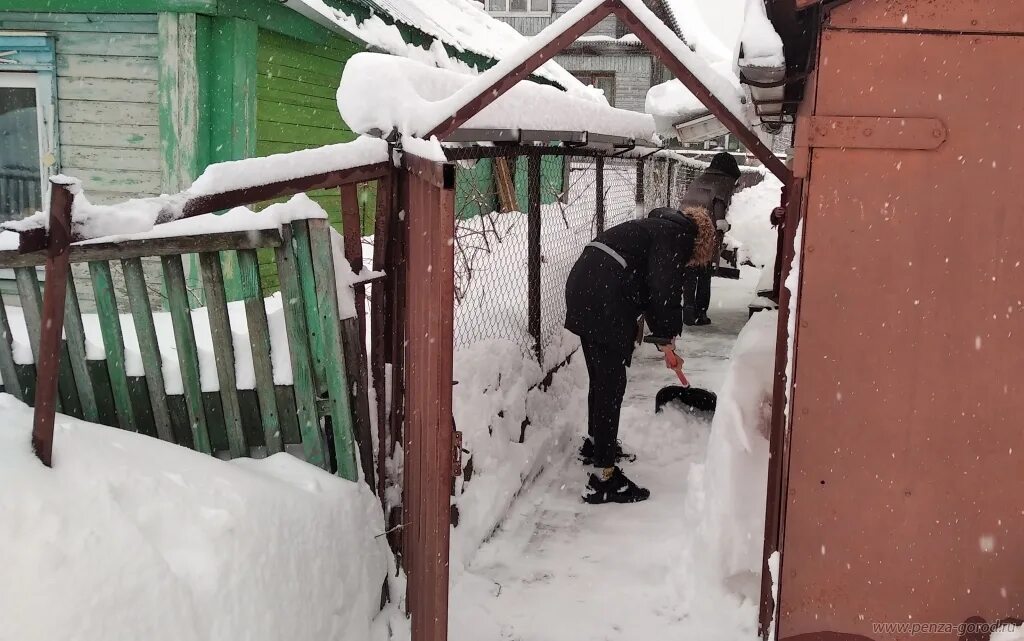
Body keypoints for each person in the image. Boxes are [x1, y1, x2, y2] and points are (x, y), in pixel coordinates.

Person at [564, 205, 717, 504]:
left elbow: (649, 286)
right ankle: (603, 478)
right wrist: (668, 338)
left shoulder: (657, 227)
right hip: (604, 293)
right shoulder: (677, 237)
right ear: (701, 243)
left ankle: (597, 446)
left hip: (584, 283)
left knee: (601, 376)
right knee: (611, 384)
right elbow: (663, 291)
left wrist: (664, 341)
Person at [678, 152, 741, 326]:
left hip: (685, 227)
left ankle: (688, 310)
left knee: (690, 270)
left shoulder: (699, 179)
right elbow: (719, 211)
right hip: (706, 232)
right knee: (705, 273)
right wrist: (724, 225)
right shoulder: (724, 182)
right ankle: (701, 312)